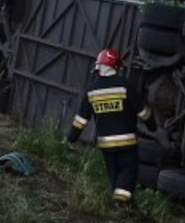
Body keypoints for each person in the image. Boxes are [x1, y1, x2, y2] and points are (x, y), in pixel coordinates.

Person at [64, 48, 154, 203]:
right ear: (117, 67)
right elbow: (143, 112)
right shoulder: (125, 86)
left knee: (114, 175)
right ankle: (120, 206)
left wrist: (71, 138)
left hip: (106, 145)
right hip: (127, 143)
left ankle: (119, 204)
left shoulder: (91, 90)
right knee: (128, 173)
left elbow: (81, 120)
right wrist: (153, 126)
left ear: (99, 66)